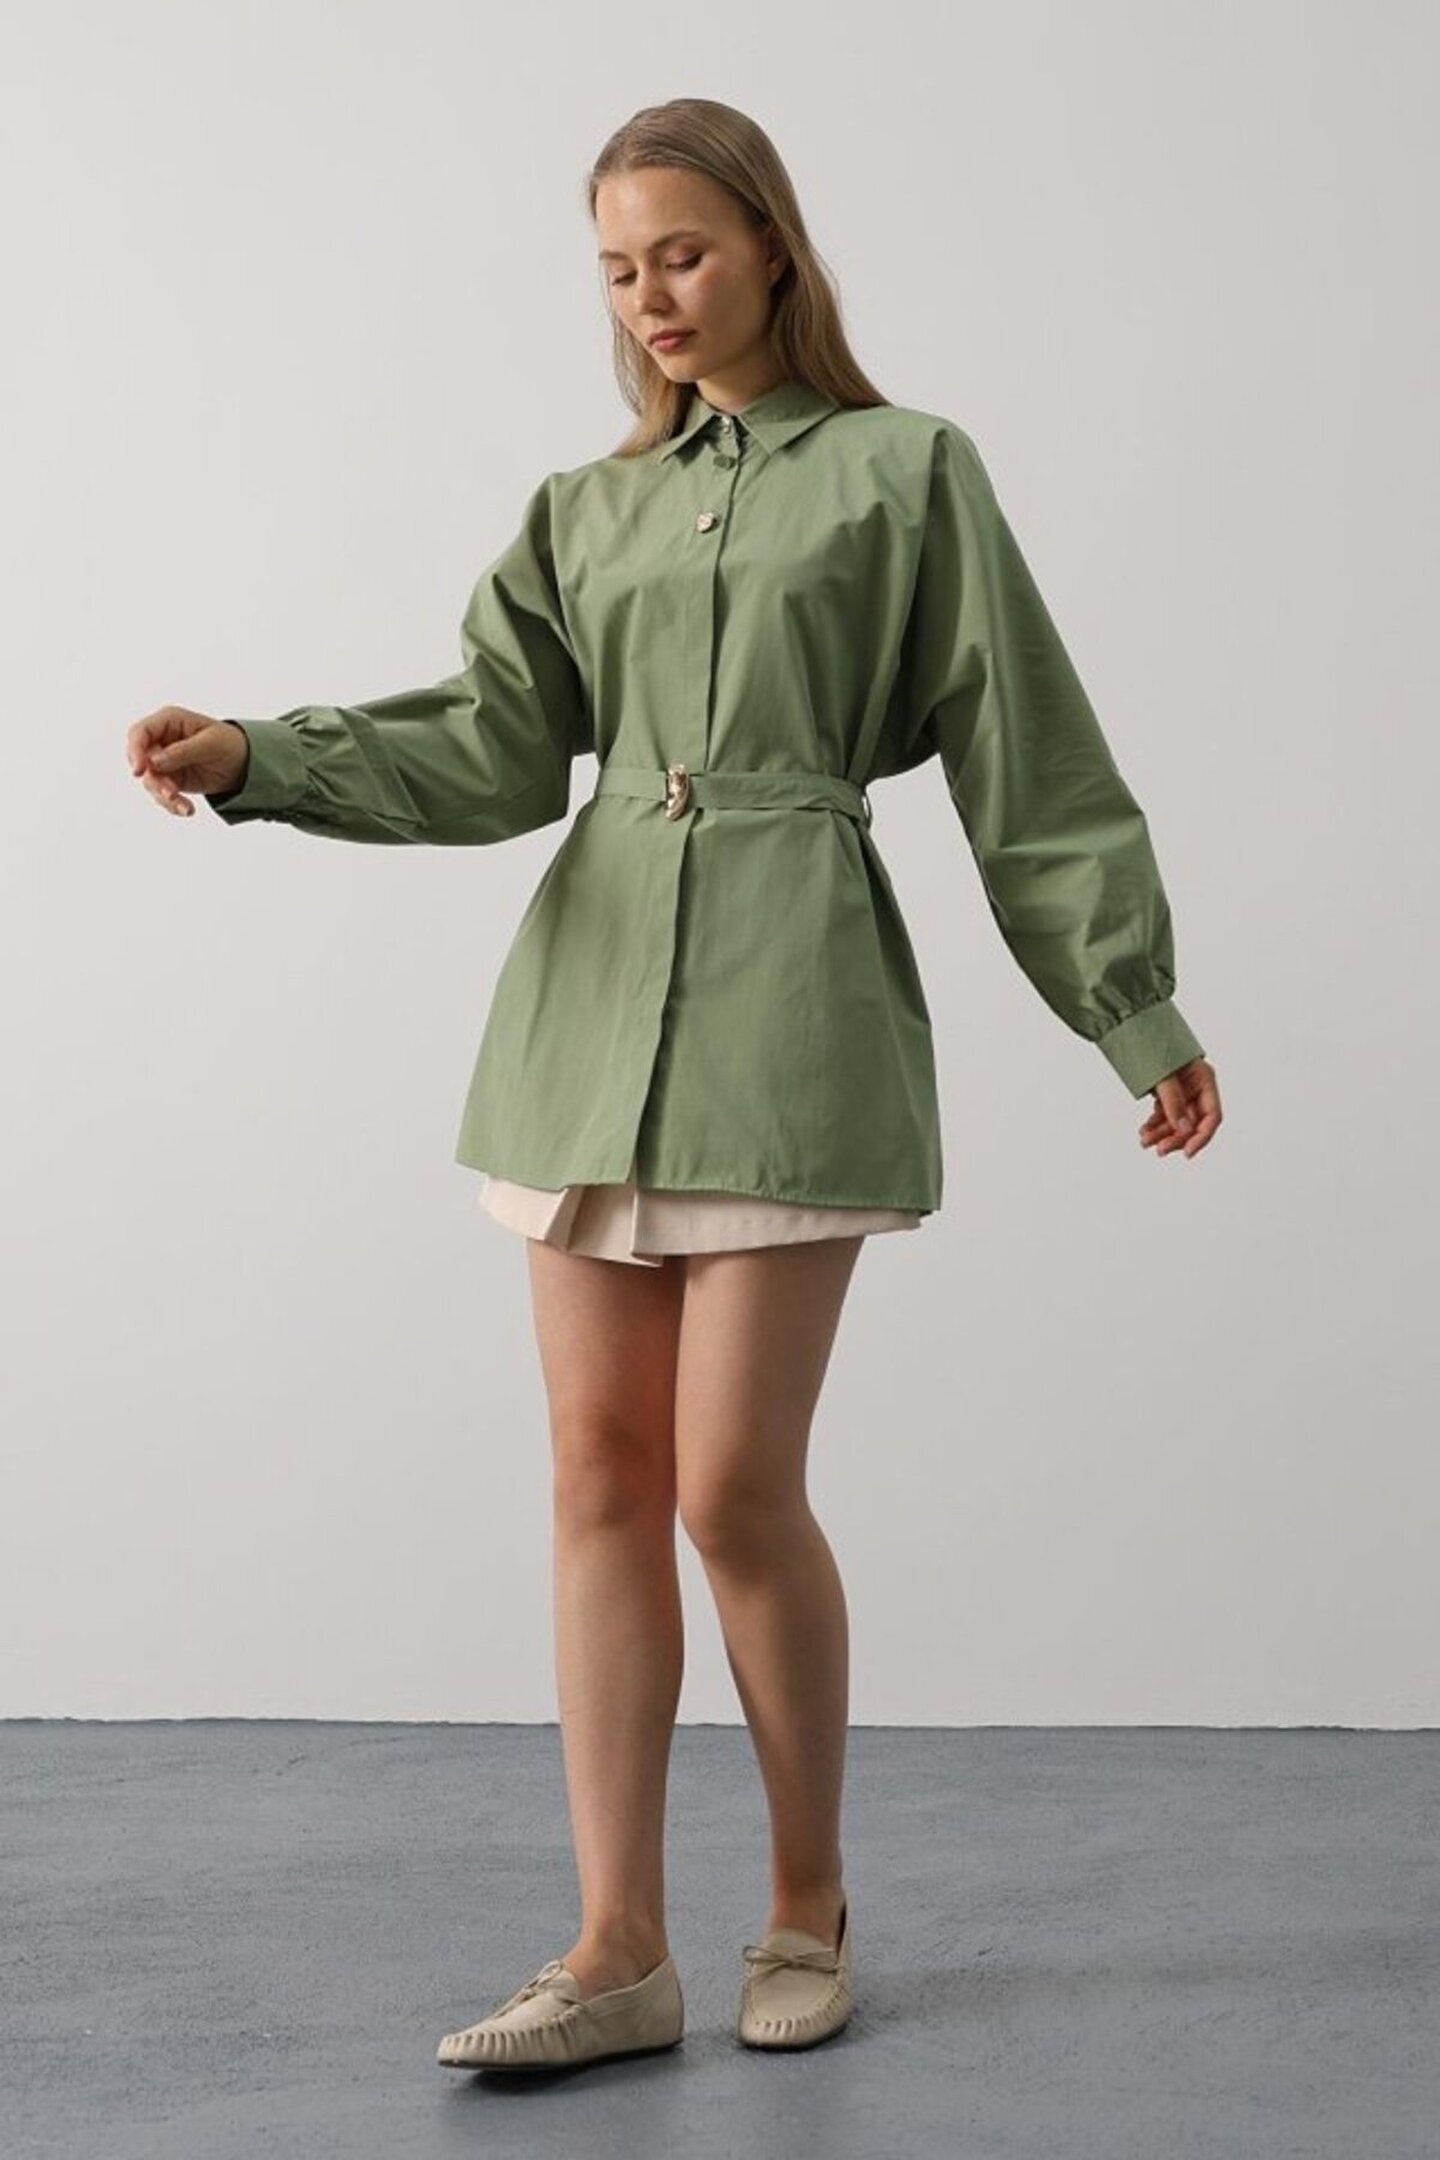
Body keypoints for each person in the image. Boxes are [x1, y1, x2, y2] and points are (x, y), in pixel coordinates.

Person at [124, 97, 1223, 2074]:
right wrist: (262, 757)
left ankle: (804, 1901)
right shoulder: (585, 508)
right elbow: (487, 742)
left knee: (731, 1486)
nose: (652, 299)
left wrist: (1128, 1007)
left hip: (792, 1010)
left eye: (686, 255)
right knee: (596, 1477)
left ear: (776, 248)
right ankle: (615, 1948)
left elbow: (1028, 754)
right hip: (586, 1009)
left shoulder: (906, 472)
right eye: (620, 270)